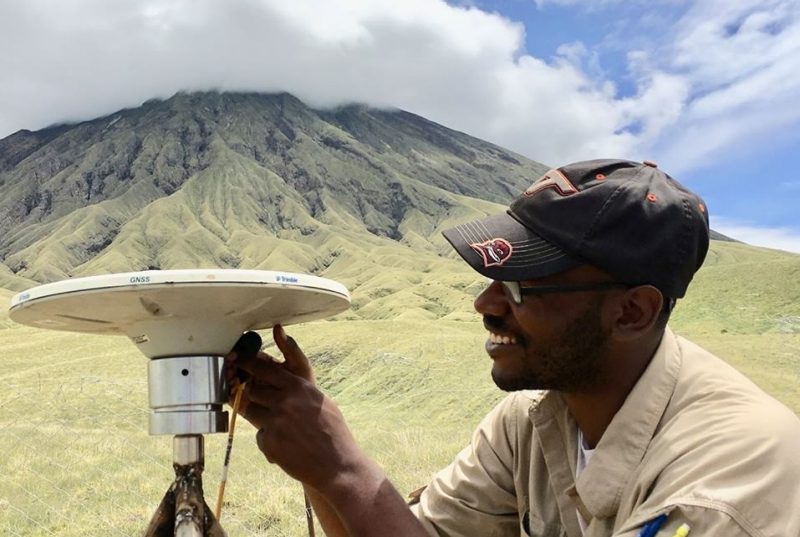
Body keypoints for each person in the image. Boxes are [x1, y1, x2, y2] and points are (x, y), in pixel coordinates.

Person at [226, 159, 800, 537]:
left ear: (632, 312)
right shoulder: (534, 418)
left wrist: (345, 472)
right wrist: (315, 458)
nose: (486, 304)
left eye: (522, 285)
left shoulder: (725, 483)